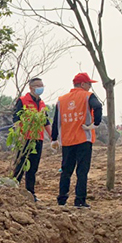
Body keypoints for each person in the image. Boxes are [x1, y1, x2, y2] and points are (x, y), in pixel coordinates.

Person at [51, 72, 103, 208]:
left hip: (67, 141)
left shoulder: (61, 100)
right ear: (82, 84)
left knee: (66, 171)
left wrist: (54, 138)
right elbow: (98, 106)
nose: (90, 87)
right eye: (89, 84)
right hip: (83, 139)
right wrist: (95, 124)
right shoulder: (87, 96)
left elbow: (56, 120)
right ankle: (79, 200)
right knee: (82, 172)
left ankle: (62, 200)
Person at [12, 77, 52, 201]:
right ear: (31, 88)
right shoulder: (23, 101)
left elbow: (46, 121)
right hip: (25, 138)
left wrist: (52, 137)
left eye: (42, 85)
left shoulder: (42, 104)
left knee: (33, 167)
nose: (41, 88)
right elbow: (16, 119)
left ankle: (31, 193)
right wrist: (19, 135)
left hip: (37, 139)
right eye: (38, 85)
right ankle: (14, 191)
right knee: (21, 165)